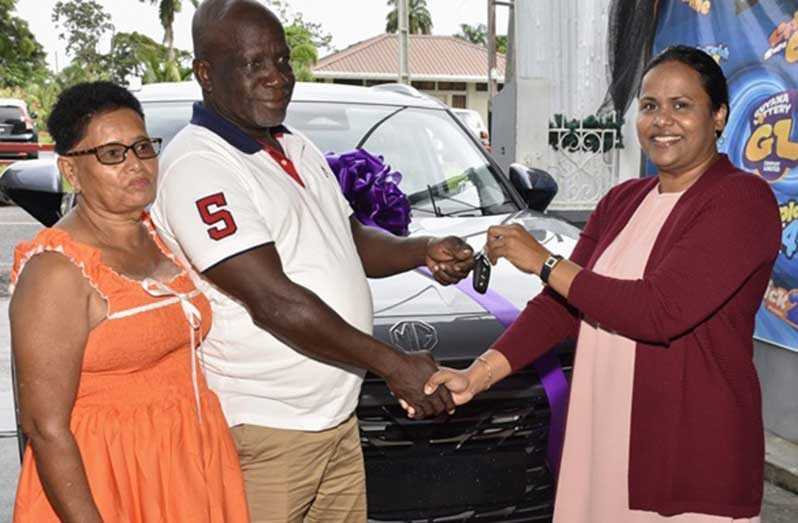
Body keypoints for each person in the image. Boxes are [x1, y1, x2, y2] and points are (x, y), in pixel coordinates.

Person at [425, 45, 781, 522]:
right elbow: (561, 308)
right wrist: (477, 374)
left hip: (686, 453)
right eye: (650, 106)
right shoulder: (622, 200)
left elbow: (658, 311)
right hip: (603, 438)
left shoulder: (742, 200)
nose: (662, 120)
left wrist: (546, 262)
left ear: (718, 116)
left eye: (682, 105)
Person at [149, 0, 474, 520]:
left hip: (334, 418)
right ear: (206, 74)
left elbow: (354, 242)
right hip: (269, 430)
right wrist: (393, 365)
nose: (277, 78)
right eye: (255, 64)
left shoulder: (295, 145)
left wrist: (422, 249)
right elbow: (272, 300)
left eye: (283, 61)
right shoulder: (198, 166)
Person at [9, 82, 249, 522]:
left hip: (187, 460)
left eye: (142, 147)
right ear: (71, 170)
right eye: (111, 154)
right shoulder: (56, 271)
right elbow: (45, 430)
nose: (135, 164)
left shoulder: (158, 235)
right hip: (106, 477)